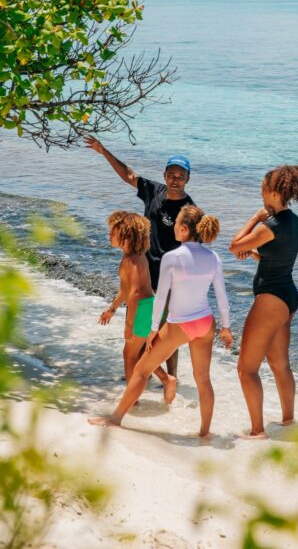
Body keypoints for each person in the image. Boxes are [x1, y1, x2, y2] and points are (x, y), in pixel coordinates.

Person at [89, 205, 233, 437]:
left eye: (176, 222)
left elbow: (161, 297)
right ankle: (205, 432)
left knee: (141, 370)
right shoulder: (214, 257)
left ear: (184, 229)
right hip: (206, 323)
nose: (173, 226)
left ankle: (115, 419)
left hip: (179, 325)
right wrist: (226, 328)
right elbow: (222, 297)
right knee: (203, 380)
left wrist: (153, 329)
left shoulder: (172, 257)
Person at [84, 137, 195, 377]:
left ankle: (170, 375)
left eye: (181, 176)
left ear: (187, 179)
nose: (175, 180)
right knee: (143, 326)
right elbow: (129, 175)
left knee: (166, 331)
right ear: (165, 175)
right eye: (172, 175)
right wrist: (104, 151)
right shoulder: (154, 191)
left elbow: (195, 247)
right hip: (144, 269)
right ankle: (141, 372)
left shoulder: (190, 209)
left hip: (171, 277)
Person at [229, 165, 298, 439]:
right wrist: (254, 254)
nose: (261, 192)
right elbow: (277, 256)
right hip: (287, 296)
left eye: (263, 188)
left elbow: (233, 245)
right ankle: (288, 421)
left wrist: (255, 218)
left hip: (271, 299)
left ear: (274, 191)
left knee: (246, 369)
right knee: (279, 364)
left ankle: (257, 431)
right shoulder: (293, 221)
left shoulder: (269, 225)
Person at [98, 210, 176, 404]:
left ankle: (133, 400)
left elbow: (133, 293)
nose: (109, 235)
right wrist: (112, 308)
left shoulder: (128, 261)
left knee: (129, 355)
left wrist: (129, 324)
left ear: (126, 235)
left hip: (140, 309)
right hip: (148, 306)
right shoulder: (140, 256)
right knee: (141, 353)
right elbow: (126, 290)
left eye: (113, 232)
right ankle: (166, 379)